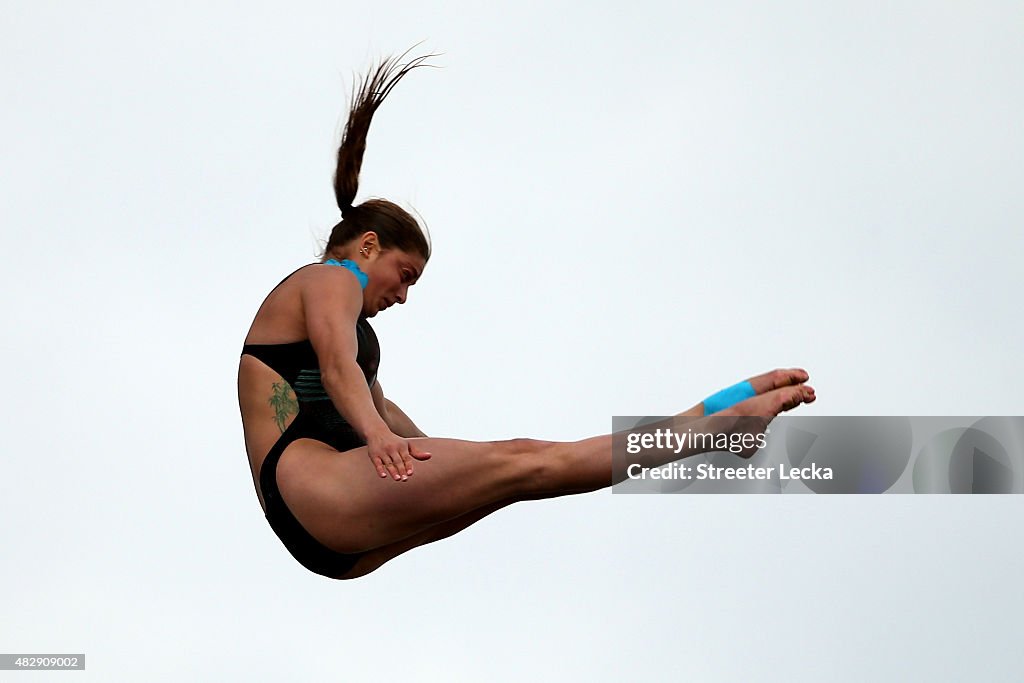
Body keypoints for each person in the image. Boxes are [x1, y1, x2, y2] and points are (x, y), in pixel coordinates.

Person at [237, 53, 816, 580]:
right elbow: (338, 371)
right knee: (527, 462)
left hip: (335, 529)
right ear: (367, 247)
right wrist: (383, 436)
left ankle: (705, 418)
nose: (404, 297)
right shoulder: (330, 280)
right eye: (405, 275)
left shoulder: (351, 328)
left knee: (519, 471)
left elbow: (375, 402)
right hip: (314, 492)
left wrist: (438, 451)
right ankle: (711, 428)